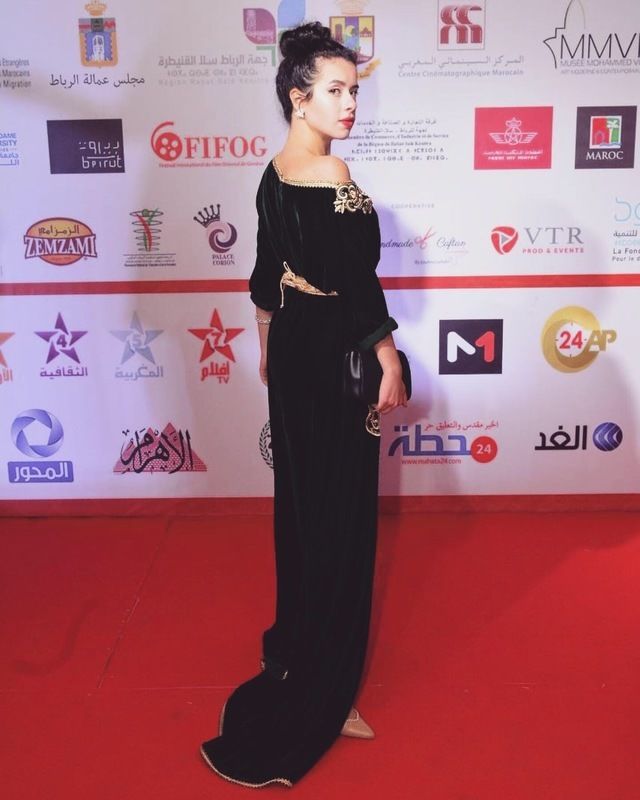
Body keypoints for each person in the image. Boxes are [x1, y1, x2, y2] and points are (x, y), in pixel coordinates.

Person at [200, 21, 407, 788]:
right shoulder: (332, 174)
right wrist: (388, 355)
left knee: (302, 510)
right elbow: (359, 285)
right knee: (341, 519)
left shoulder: (273, 172)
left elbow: (266, 273)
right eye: (335, 91)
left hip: (293, 347)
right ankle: (326, 691)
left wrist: (265, 344)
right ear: (298, 97)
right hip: (333, 351)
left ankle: (297, 652)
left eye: (354, 92)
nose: (350, 105)